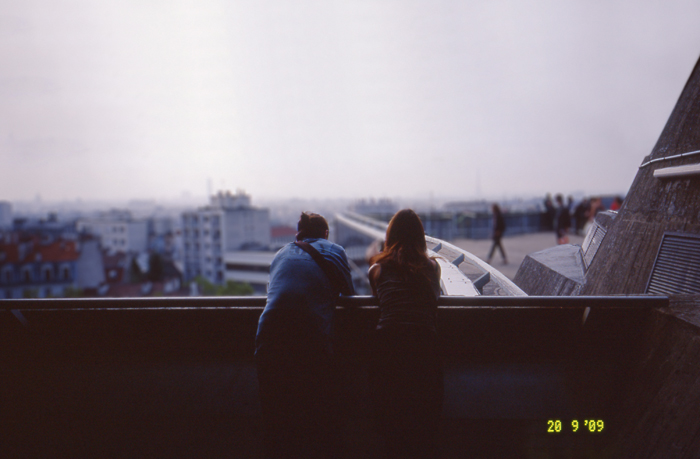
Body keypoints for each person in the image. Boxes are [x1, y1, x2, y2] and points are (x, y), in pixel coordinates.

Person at [255, 212, 354, 459]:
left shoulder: (280, 254)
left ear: (298, 234)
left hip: (268, 336)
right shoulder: (335, 250)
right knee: (316, 413)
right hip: (311, 339)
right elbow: (349, 293)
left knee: (277, 414)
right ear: (326, 234)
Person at [368, 209, 443, 459]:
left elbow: (382, 298)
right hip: (424, 347)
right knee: (423, 426)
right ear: (420, 238)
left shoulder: (377, 269)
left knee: (391, 426)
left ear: (390, 237)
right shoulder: (432, 268)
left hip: (387, 347)